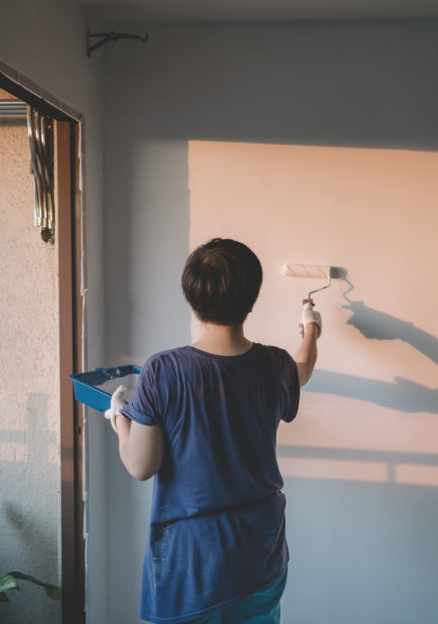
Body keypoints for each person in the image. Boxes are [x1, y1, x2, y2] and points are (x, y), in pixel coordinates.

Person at [106, 238, 321, 624]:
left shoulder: (164, 370)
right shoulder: (275, 365)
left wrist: (121, 419)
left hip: (191, 560)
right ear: (252, 297)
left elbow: (141, 465)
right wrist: (311, 327)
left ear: (191, 295)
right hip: (261, 550)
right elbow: (302, 367)